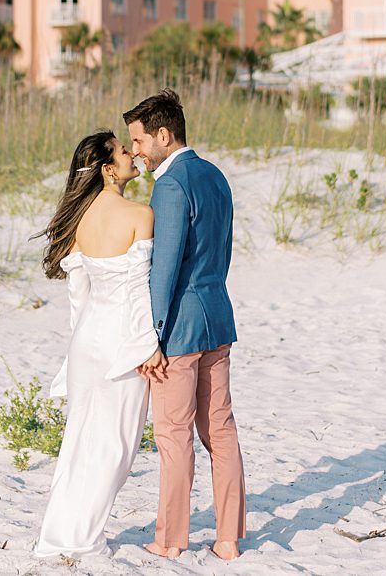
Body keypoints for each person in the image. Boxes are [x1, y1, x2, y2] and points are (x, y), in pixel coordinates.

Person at [124, 89, 246, 561]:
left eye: (138, 140)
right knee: (220, 429)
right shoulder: (215, 176)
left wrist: (150, 334)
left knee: (174, 435)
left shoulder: (171, 185)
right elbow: (224, 249)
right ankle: (229, 537)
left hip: (179, 328)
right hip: (218, 313)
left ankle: (171, 540)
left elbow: (165, 266)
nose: (135, 150)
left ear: (163, 134)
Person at [33, 131, 161, 558]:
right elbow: (140, 293)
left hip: (87, 340)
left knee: (80, 440)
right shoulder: (140, 215)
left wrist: (76, 348)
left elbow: (78, 295)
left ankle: (58, 535)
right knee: (116, 446)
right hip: (120, 342)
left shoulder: (78, 218)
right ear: (109, 169)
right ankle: (83, 538)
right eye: (124, 151)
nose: (131, 154)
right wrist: (148, 347)